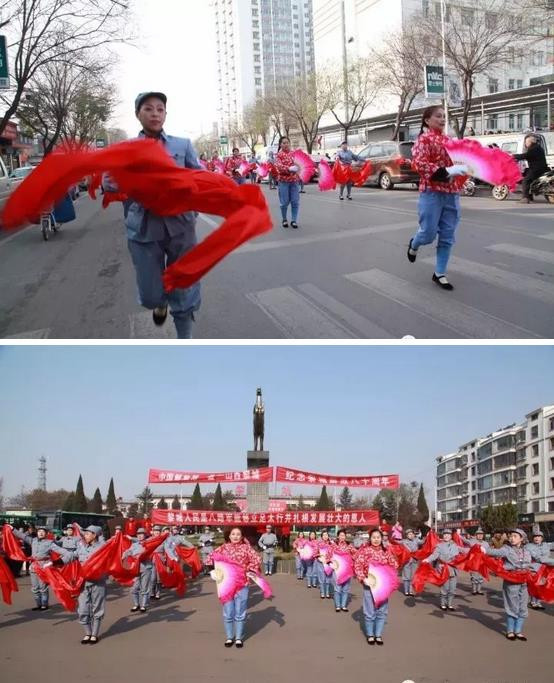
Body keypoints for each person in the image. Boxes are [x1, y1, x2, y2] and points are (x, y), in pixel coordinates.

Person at [103, 91, 202, 339]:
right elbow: (109, 182)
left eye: (160, 108)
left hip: (180, 224)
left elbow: (199, 175)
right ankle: (159, 302)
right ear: (138, 114)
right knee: (150, 292)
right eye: (148, 108)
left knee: (183, 284)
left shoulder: (183, 145)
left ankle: (185, 338)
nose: (155, 113)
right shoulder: (126, 150)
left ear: (165, 114)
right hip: (143, 226)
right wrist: (113, 182)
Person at [407, 105, 468, 291]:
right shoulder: (423, 140)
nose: (442, 119)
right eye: (438, 116)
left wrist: (465, 167)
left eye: (443, 116)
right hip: (431, 192)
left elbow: (460, 161)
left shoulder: (450, 140)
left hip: (451, 193)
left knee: (447, 236)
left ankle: (439, 273)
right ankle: (414, 243)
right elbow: (420, 164)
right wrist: (447, 171)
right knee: (428, 233)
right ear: (427, 120)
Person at [482, 529, 535, 640]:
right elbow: (494, 552)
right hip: (511, 581)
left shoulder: (528, 551)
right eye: (511, 536)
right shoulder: (507, 549)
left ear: (522, 538)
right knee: (512, 606)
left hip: (524, 582)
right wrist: (483, 549)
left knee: (523, 606)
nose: (511, 538)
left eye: (515, 536)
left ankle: (518, 631)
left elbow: (539, 559)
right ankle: (510, 631)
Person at [216, 527, 261, 648]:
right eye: (233, 534)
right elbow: (210, 558)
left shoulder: (246, 548)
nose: (235, 536)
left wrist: (248, 568)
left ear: (242, 537)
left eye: (238, 534)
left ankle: (239, 638)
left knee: (240, 612)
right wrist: (215, 571)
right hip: (226, 585)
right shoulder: (223, 548)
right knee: (228, 612)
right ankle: (230, 637)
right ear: (229, 536)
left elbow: (257, 559)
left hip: (242, 584)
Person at [12, 524, 73, 610]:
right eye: (39, 531)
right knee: (35, 587)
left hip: (44, 567)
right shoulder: (33, 540)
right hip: (33, 567)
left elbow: (63, 551)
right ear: (37, 532)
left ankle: (44, 604)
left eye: (43, 532)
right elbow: (23, 536)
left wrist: (57, 561)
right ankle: (38, 604)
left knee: (43, 587)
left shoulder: (49, 543)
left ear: (46, 533)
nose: (41, 533)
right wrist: (13, 529)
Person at [354, 528, 398, 645]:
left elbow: (394, 565)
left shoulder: (386, 551)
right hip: (369, 585)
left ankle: (378, 635)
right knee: (369, 611)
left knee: (382, 611)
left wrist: (388, 572)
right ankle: (370, 635)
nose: (376, 540)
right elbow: (357, 565)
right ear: (370, 538)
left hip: (382, 587)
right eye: (374, 537)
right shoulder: (365, 551)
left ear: (381, 538)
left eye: (378, 537)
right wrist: (363, 578)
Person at [74, 526, 108, 644]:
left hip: (98, 582)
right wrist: (57, 561)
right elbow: (72, 555)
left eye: (88, 534)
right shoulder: (81, 546)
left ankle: (94, 634)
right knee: (82, 609)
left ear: (95, 535)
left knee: (97, 608)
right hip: (83, 583)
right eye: (85, 534)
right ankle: (87, 632)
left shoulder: (102, 547)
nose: (85, 536)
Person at [422, 528, 467, 611]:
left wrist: (476, 549)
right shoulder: (439, 546)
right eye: (445, 534)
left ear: (451, 536)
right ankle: (443, 604)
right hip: (443, 570)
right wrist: (427, 559)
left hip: (453, 570)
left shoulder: (455, 545)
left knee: (452, 589)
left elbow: (464, 550)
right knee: (445, 588)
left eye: (448, 534)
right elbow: (434, 555)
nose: (446, 536)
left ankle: (449, 604)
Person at [123, 527, 154, 613]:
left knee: (144, 588)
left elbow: (150, 552)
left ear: (145, 535)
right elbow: (129, 551)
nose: (140, 536)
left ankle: (143, 605)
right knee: (134, 589)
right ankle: (136, 604)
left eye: (142, 534)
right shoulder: (134, 544)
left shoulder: (148, 544)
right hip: (136, 569)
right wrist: (123, 555)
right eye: (138, 534)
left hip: (146, 568)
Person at [513, 134, 549, 203]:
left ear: (530, 142)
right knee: (527, 174)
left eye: (526, 142)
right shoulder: (538, 147)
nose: (525, 144)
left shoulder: (534, 148)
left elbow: (526, 155)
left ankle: (525, 198)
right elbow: (529, 156)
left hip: (536, 169)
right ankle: (530, 197)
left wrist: (514, 156)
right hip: (540, 168)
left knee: (525, 180)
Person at [275, 136, 301, 229]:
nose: (286, 144)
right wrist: (289, 168)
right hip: (283, 182)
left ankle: (294, 220)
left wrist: (300, 167)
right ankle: (284, 219)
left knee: (295, 201)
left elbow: (300, 164)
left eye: (287, 142)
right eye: (284, 143)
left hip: (294, 181)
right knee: (284, 202)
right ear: (280, 144)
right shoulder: (278, 155)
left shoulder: (294, 154)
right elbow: (278, 166)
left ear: (289, 143)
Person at [328, 529, 356, 612]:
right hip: (337, 570)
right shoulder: (333, 545)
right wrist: (330, 563)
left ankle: (343, 605)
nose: (342, 537)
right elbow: (328, 555)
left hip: (347, 570)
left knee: (346, 589)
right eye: (340, 535)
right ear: (338, 536)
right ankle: (338, 605)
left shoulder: (349, 546)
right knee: (337, 588)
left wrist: (352, 561)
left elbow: (356, 554)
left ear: (345, 536)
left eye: (343, 535)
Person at [526, 529, 553, 609]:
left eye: (539, 536)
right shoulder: (529, 546)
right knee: (534, 585)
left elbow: (547, 555)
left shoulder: (545, 545)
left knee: (541, 585)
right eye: (535, 536)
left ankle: (538, 602)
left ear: (542, 538)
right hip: (534, 568)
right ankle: (532, 602)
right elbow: (539, 558)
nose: (537, 538)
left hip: (544, 568)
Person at [462, 527, 489, 595]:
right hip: (474, 563)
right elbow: (465, 540)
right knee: (474, 577)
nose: (480, 535)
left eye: (481, 534)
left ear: (483, 535)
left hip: (482, 563)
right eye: (478, 534)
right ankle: (474, 590)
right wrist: (457, 535)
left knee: (481, 577)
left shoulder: (486, 543)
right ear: (476, 535)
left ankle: (479, 590)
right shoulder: (473, 542)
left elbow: (489, 552)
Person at [400, 528, 423, 596]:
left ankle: (411, 591)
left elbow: (423, 542)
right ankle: (406, 590)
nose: (411, 535)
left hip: (415, 560)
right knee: (406, 576)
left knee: (413, 576)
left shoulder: (416, 540)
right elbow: (396, 543)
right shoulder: (404, 541)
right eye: (409, 534)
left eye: (412, 534)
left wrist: (428, 536)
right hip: (407, 561)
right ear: (406, 535)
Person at [315, 530, 333, 599]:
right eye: (324, 535)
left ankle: (327, 593)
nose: (325, 536)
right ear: (322, 537)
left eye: (326, 535)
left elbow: (335, 552)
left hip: (328, 563)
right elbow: (314, 553)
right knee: (322, 579)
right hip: (321, 563)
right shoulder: (319, 544)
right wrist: (320, 555)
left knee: (328, 579)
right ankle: (322, 593)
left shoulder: (331, 544)